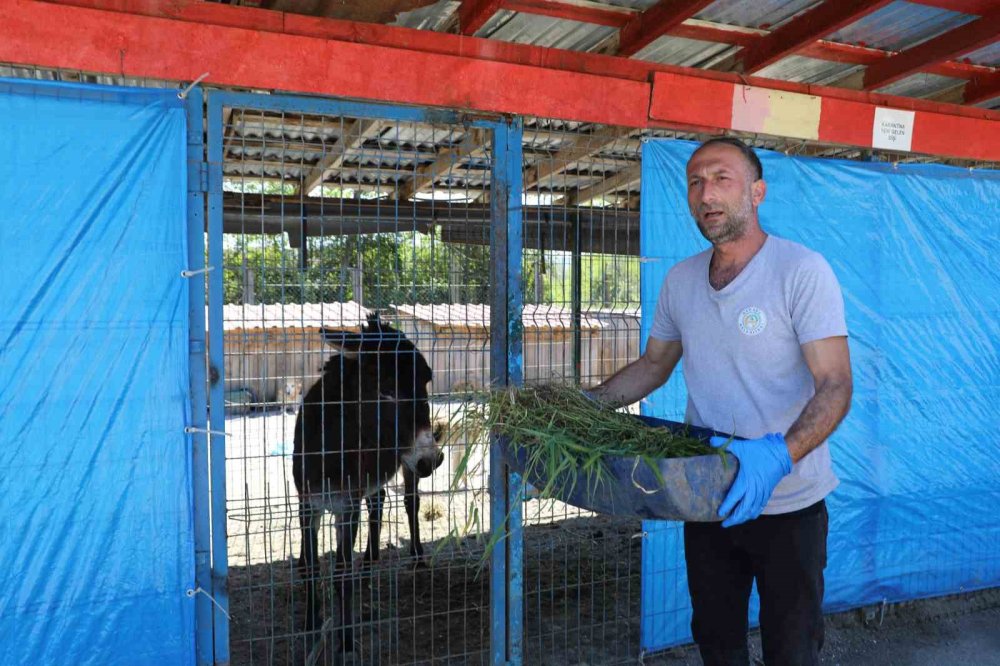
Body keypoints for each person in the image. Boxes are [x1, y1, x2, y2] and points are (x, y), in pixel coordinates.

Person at [587, 137, 853, 666]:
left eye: (721, 179)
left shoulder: (800, 271)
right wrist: (586, 406)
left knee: (793, 650)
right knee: (716, 639)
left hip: (788, 500)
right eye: (694, 182)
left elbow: (836, 384)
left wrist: (778, 454)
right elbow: (653, 366)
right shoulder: (682, 280)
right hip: (707, 497)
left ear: (757, 192)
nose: (706, 193)